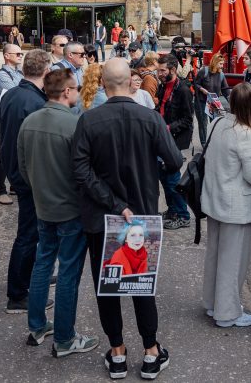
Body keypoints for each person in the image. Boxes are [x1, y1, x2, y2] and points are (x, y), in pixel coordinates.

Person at [73, 58, 183, 380]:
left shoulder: (90, 120)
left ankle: (118, 352)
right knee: (141, 285)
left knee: (107, 286)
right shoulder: (149, 117)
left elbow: (80, 171)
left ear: (104, 84)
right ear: (129, 81)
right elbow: (175, 160)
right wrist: (149, 174)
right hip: (139, 214)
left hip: (103, 215)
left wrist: (113, 201)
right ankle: (150, 351)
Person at [19, 69, 99, 356]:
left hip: (43, 205)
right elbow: (84, 172)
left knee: (43, 263)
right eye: (75, 88)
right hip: (70, 208)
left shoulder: (30, 122)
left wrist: (41, 191)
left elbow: (23, 168)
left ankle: (37, 325)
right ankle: (64, 338)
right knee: (68, 272)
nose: (77, 93)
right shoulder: (74, 124)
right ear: (66, 91)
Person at [201, 83, 251, 328]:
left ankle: (212, 303)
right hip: (236, 206)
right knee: (233, 261)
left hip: (213, 198)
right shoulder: (247, 134)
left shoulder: (216, 123)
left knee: (215, 255)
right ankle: (227, 312)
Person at [0, 49, 53, 313]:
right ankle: (18, 295)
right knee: (29, 234)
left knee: (33, 233)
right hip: (29, 177)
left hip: (17, 172)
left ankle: (29, 278)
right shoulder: (35, 102)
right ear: (45, 71)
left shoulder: (13, 94)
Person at [156, 54, 193, 230]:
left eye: (162, 70)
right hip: (163, 139)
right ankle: (173, 211)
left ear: (172, 69)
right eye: (158, 70)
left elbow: (187, 120)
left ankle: (183, 215)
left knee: (172, 180)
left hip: (174, 140)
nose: (159, 73)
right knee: (164, 178)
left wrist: (168, 128)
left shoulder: (183, 90)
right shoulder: (163, 86)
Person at [0, 44, 24, 205]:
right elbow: (17, 93)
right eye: (17, 53)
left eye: (21, 54)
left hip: (17, 118)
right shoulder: (2, 75)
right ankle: (0, 190)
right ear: (6, 56)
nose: (20, 56)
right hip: (4, 121)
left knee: (18, 152)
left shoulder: (19, 72)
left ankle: (14, 185)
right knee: (4, 155)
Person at [194, 53, 232, 145]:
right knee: (203, 123)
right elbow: (195, 84)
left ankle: (212, 142)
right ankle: (204, 143)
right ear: (214, 63)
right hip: (201, 101)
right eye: (220, 64)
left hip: (213, 102)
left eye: (223, 64)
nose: (222, 66)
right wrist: (202, 89)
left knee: (215, 123)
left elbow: (225, 90)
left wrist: (232, 102)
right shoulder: (204, 71)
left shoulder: (221, 75)